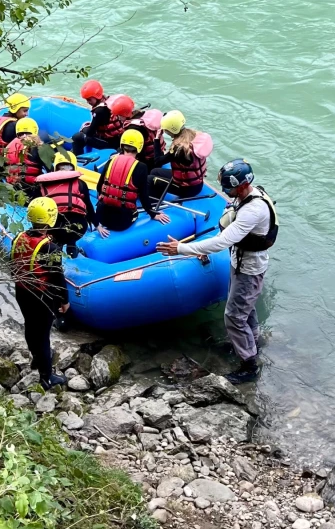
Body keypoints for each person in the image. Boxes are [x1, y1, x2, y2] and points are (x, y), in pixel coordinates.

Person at [159, 158, 277, 384]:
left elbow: (223, 241)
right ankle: (251, 344)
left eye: (229, 187)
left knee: (233, 316)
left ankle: (249, 365)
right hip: (240, 263)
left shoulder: (253, 210)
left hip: (249, 269)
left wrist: (182, 249)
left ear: (242, 185)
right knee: (245, 309)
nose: (226, 191)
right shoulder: (247, 197)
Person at [10, 197, 69, 389]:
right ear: (51, 218)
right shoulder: (49, 247)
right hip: (41, 296)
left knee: (30, 327)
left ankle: (37, 358)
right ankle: (46, 378)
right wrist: (64, 300)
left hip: (22, 291)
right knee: (43, 334)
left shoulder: (19, 238)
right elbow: (57, 276)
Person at [95, 129, 171, 233]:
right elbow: (144, 196)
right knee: (135, 210)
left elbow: (99, 187)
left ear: (122, 145)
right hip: (121, 222)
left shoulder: (111, 161)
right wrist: (153, 214)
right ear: (140, 147)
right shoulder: (141, 167)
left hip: (101, 216)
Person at [33, 150, 95, 253]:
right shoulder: (81, 184)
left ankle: (58, 248)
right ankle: (71, 245)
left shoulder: (43, 185)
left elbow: (35, 206)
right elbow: (88, 207)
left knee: (57, 236)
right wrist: (97, 225)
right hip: (77, 228)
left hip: (54, 228)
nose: (65, 171)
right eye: (63, 168)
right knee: (72, 231)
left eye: (67, 168)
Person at [160, 111, 211, 198]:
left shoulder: (179, 150)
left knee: (150, 180)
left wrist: (157, 139)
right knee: (155, 171)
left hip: (186, 189)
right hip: (198, 184)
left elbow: (158, 161)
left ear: (170, 131)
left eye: (166, 130)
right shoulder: (194, 135)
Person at [73, 89, 135, 155]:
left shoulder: (99, 111)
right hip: (118, 139)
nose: (88, 102)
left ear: (96, 97)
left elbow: (90, 133)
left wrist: (84, 128)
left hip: (111, 144)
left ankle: (77, 159)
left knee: (77, 137)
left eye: (89, 99)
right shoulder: (109, 101)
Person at [0, 92, 30, 166]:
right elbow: (17, 148)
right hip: (6, 166)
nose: (27, 114)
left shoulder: (0, 119)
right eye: (25, 111)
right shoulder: (13, 125)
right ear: (15, 109)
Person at [3, 117, 42, 192]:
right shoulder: (36, 148)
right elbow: (50, 170)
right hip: (32, 189)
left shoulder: (8, 148)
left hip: (13, 189)